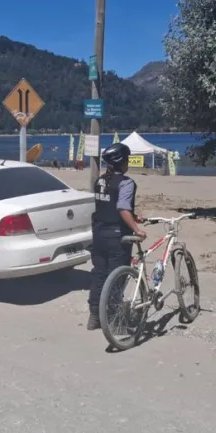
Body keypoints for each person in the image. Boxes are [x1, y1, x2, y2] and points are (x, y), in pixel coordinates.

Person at [86, 142, 147, 331]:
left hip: (98, 234)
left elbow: (108, 206)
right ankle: (114, 320)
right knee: (116, 278)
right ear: (122, 162)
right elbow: (121, 208)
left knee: (99, 274)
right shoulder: (126, 183)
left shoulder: (100, 182)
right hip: (117, 237)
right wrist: (136, 228)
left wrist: (133, 216)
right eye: (127, 160)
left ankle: (95, 316)